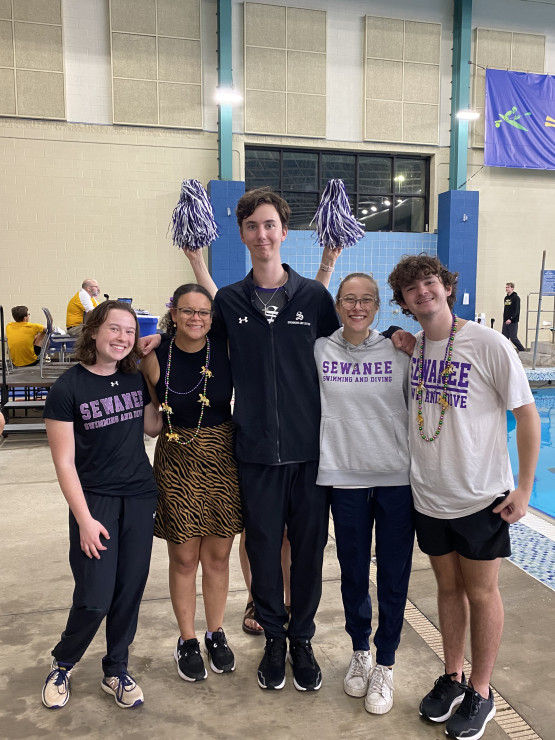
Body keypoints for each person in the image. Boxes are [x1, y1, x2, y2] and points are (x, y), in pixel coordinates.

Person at [141, 188, 408, 692]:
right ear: (242, 236)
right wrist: (152, 334)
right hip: (255, 451)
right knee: (263, 550)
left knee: (307, 552)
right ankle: (275, 641)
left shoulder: (313, 298)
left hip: (311, 453)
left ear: (284, 232)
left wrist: (395, 333)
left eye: (270, 225)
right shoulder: (230, 303)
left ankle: (302, 639)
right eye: (252, 227)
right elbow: (192, 333)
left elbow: (352, 338)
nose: (262, 235)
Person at [388, 254, 540, 740]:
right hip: (429, 497)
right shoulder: (416, 350)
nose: (423, 292)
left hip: (480, 499)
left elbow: (529, 416)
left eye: (430, 283)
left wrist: (525, 488)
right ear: (404, 301)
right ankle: (453, 677)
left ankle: (482, 690)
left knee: (481, 592)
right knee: (448, 590)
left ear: (447, 287)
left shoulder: (489, 344)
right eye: (412, 289)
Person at [41, 300, 162, 710]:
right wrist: (85, 520)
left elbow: (152, 426)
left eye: (129, 332)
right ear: (94, 331)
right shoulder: (67, 388)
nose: (122, 338)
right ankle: (64, 662)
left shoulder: (131, 379)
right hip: (95, 503)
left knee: (129, 590)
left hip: (140, 496)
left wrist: (155, 365)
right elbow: (64, 462)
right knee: (95, 595)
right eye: (114, 329)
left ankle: (116, 670)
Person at [314, 272, 414, 715]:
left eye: (366, 300)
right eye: (349, 300)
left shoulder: (399, 350)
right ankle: (360, 650)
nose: (357, 307)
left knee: (394, 575)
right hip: (344, 477)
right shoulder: (320, 348)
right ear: (337, 305)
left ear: (378, 307)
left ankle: (386, 663)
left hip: (394, 478)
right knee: (352, 570)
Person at [140, 284, 242, 682]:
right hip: (176, 456)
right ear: (174, 313)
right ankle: (186, 639)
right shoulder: (153, 356)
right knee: (184, 558)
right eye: (187, 311)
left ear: (212, 317)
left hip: (221, 458)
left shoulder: (226, 349)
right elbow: (149, 413)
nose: (196, 318)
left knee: (217, 557)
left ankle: (216, 632)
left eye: (204, 312)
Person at [502, 282, 525, 352]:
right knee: (504, 338)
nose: (506, 289)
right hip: (505, 321)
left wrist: (511, 319)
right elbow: (506, 309)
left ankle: (522, 350)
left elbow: (516, 310)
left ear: (512, 288)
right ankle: (506, 351)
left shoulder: (516, 298)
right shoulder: (506, 298)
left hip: (513, 321)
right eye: (506, 287)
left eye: (508, 287)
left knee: (513, 337)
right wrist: (505, 319)